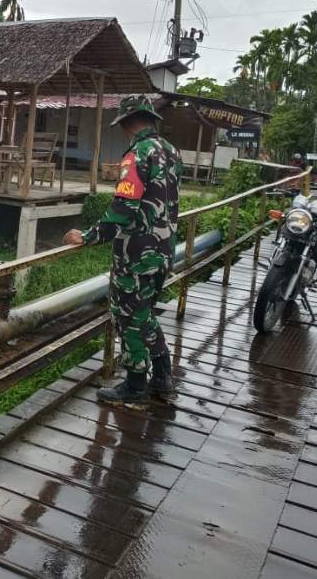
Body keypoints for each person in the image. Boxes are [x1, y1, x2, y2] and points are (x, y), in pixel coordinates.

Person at [63, 95, 182, 406]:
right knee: (145, 314)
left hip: (136, 253)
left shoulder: (136, 155)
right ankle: (163, 377)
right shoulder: (172, 152)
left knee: (128, 317)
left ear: (128, 122)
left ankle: (135, 385)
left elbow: (124, 207)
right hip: (165, 250)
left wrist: (89, 235)